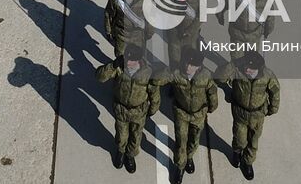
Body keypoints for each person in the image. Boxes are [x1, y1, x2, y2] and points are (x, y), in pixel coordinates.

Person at [96, 44, 160, 174]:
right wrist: (113, 65)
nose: (128, 63)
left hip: (139, 111)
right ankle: (120, 151)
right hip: (121, 109)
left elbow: (154, 94)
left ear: (139, 60)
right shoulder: (119, 67)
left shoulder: (147, 73)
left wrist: (152, 110)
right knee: (121, 135)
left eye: (131, 61)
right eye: (127, 60)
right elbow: (99, 77)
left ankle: (130, 156)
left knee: (136, 136)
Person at [218, 50, 279, 181]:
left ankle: (248, 162)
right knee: (240, 138)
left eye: (251, 69)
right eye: (246, 66)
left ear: (258, 68)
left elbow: (275, 91)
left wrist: (273, 108)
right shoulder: (238, 71)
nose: (247, 70)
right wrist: (234, 64)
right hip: (240, 112)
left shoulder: (267, 75)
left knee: (253, 141)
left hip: (258, 114)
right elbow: (220, 77)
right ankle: (237, 151)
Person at [168, 46, 218, 184]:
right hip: (181, 113)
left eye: (193, 65)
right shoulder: (176, 74)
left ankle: (189, 157)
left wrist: (213, 106)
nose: (188, 67)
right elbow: (159, 80)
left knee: (194, 140)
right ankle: (180, 166)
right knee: (181, 141)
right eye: (187, 63)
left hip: (198, 114)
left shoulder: (205, 76)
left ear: (198, 67)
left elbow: (212, 91)